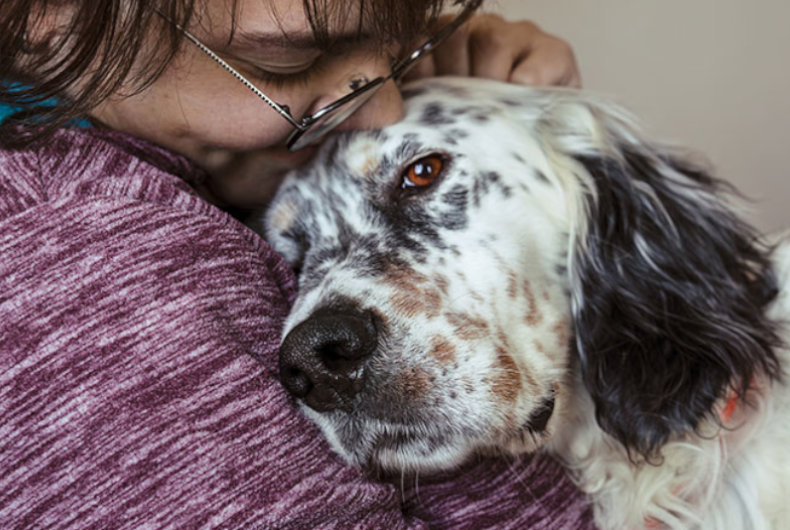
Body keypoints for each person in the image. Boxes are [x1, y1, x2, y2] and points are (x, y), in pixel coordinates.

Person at [0, 0, 593, 527]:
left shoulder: (179, 158)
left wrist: (513, 115)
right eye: (290, 59)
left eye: (406, 36)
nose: (383, 107)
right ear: (40, 12)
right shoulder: (76, 253)